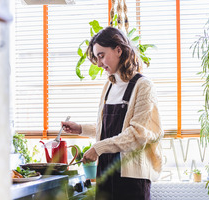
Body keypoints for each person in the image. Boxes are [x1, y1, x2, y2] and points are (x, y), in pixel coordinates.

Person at [62, 26, 163, 200]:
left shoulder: (143, 86)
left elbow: (136, 135)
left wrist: (98, 148)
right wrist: (80, 129)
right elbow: (110, 130)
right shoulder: (109, 86)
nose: (99, 63)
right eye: (96, 57)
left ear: (118, 50)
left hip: (131, 178)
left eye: (101, 55)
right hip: (106, 174)